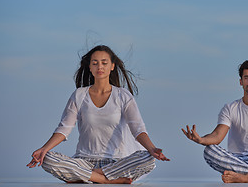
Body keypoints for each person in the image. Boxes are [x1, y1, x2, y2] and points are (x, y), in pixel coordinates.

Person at [27, 45, 169, 184]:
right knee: (47, 159)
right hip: (83, 161)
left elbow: (137, 129)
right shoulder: (79, 95)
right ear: (90, 67)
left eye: (104, 63)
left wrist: (152, 148)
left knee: (148, 159)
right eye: (95, 63)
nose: (99, 66)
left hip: (115, 163)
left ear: (112, 66)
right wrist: (44, 149)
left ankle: (86, 177)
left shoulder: (123, 96)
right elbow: (64, 129)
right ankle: (104, 180)